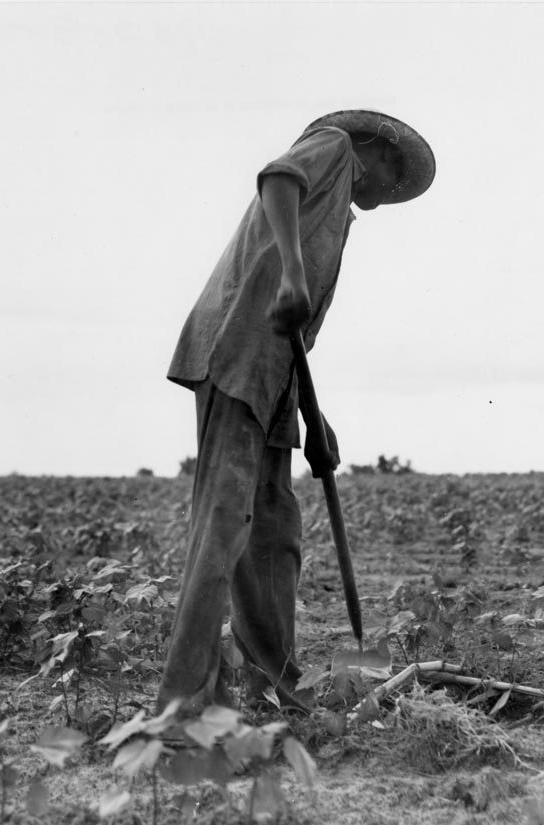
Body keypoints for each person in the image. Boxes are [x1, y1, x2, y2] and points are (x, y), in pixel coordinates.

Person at [159, 109, 436, 714]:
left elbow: (297, 335)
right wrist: (289, 271)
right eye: (392, 175)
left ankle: (276, 689)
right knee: (224, 529)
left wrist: (315, 418)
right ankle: (182, 710)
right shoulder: (334, 147)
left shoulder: (338, 221)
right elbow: (277, 179)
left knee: (275, 537)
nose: (387, 194)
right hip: (237, 353)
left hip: (274, 377)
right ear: (376, 145)